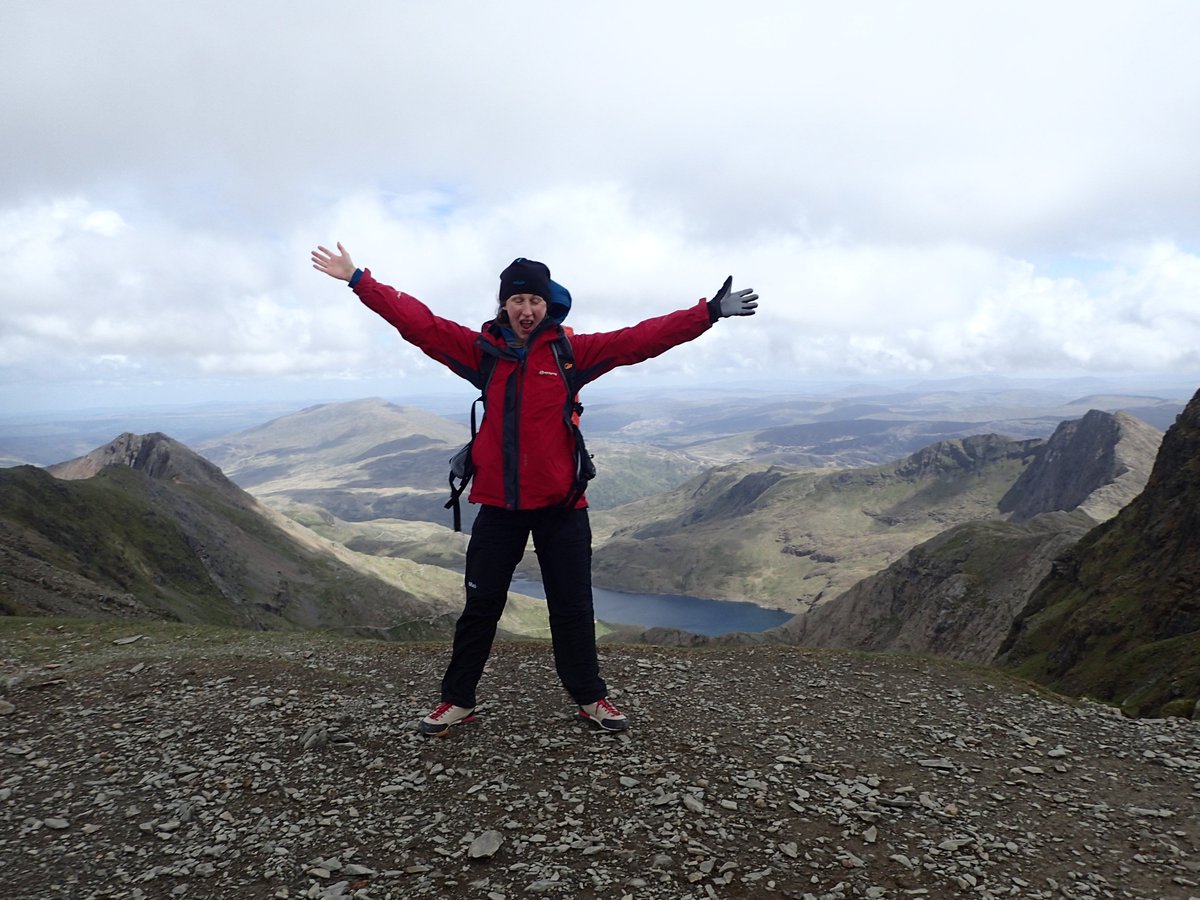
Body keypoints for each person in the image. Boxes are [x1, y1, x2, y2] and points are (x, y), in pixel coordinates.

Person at [311, 243, 759, 735]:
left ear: (548, 306)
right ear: (504, 305)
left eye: (535, 301)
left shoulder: (571, 353)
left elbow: (640, 339)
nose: (527, 310)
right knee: (480, 608)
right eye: (518, 300)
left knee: (573, 607)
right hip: (499, 506)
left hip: (562, 505)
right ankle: (457, 701)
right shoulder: (483, 353)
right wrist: (359, 280)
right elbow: (420, 324)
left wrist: (708, 312)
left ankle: (590, 697)